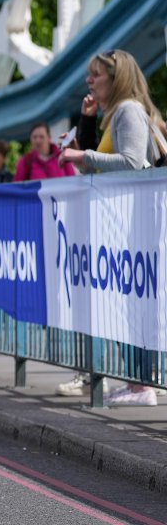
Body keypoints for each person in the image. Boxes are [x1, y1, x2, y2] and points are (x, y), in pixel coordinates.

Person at [57, 50, 167, 407]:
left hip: (134, 225)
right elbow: (94, 170)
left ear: (116, 79)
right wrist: (87, 129)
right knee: (123, 304)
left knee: (133, 305)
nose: (89, 81)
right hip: (121, 225)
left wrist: (83, 156)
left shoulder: (129, 111)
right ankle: (138, 382)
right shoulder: (112, 115)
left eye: (96, 75)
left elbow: (134, 163)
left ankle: (143, 385)